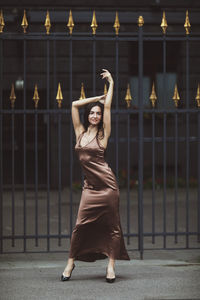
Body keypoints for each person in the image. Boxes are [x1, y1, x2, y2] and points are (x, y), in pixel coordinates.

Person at [61, 69, 130, 283]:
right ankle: (70, 263)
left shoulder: (103, 135)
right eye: (92, 112)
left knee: (112, 226)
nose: (95, 115)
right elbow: (73, 104)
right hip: (90, 189)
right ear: (88, 115)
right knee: (80, 225)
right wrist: (96, 99)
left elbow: (108, 107)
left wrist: (111, 83)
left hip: (108, 187)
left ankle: (111, 266)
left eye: (98, 114)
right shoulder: (79, 132)